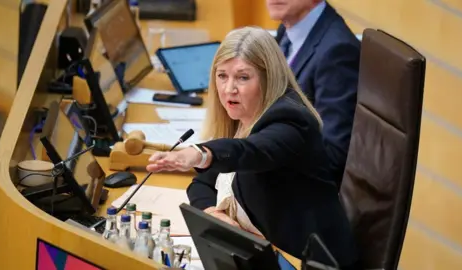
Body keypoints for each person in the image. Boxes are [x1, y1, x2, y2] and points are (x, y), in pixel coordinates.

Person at [146, 27, 359, 268]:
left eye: (243, 77)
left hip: (304, 262)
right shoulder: (242, 119)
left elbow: (252, 151)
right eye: (222, 76)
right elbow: (203, 183)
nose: (229, 89)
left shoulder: (291, 120)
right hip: (262, 254)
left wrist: (200, 153)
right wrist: (212, 214)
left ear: (268, 78)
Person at [267, 0, 361, 185]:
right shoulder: (288, 29)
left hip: (299, 188)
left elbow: (333, 154)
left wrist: (259, 157)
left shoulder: (337, 51)